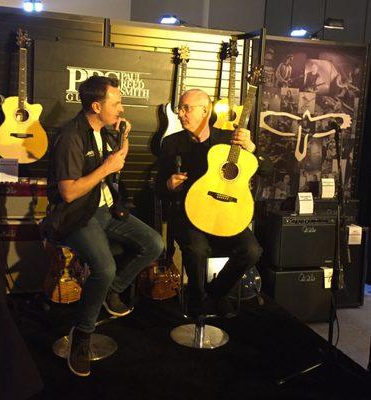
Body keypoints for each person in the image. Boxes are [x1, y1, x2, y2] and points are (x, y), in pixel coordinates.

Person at [43, 76, 164, 377]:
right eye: (117, 103)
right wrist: (105, 168)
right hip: (76, 215)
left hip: (107, 210)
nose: (122, 109)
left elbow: (115, 163)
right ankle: (81, 337)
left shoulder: (104, 131)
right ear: (96, 106)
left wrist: (123, 139)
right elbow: (69, 192)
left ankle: (112, 292)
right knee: (105, 267)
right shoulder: (71, 136)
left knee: (155, 244)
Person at [155, 89, 273, 319]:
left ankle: (217, 293)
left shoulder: (228, 141)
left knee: (252, 250)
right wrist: (169, 184)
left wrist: (252, 148)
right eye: (180, 108)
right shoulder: (171, 143)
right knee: (198, 249)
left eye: (186, 108)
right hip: (190, 215)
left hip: (227, 214)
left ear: (205, 111)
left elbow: (268, 170)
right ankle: (197, 299)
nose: (180, 113)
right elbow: (159, 188)